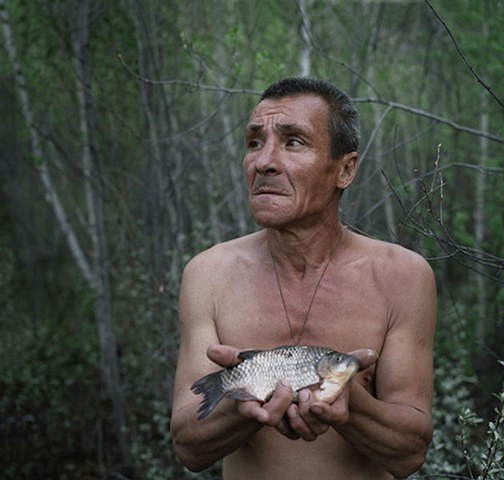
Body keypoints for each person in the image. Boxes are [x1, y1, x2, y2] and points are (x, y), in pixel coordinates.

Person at [170, 77, 437, 480]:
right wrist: (243, 404)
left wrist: (348, 404)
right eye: (255, 142)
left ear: (345, 170)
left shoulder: (402, 276)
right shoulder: (208, 273)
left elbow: (410, 453)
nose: (264, 162)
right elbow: (188, 447)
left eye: (293, 142)